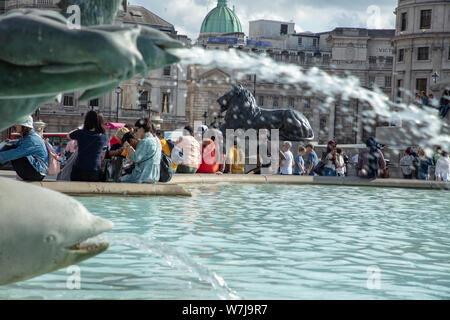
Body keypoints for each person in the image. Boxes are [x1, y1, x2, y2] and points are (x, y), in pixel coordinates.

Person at [0, 116, 48, 181]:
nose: (15, 126)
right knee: (10, 145)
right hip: (36, 171)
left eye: (18, 124)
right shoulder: (28, 137)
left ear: (24, 126)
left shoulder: (31, 140)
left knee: (13, 149)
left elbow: (16, 153)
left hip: (37, 173)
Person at [69, 110, 108, 182]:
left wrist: (80, 128)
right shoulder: (103, 137)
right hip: (94, 171)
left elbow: (69, 135)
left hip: (79, 170)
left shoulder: (80, 133)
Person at [121, 118, 162, 184]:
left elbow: (135, 158)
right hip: (154, 176)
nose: (135, 132)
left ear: (142, 129)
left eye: (136, 129)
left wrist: (128, 146)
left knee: (118, 180)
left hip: (142, 176)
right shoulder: (157, 140)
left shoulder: (145, 141)